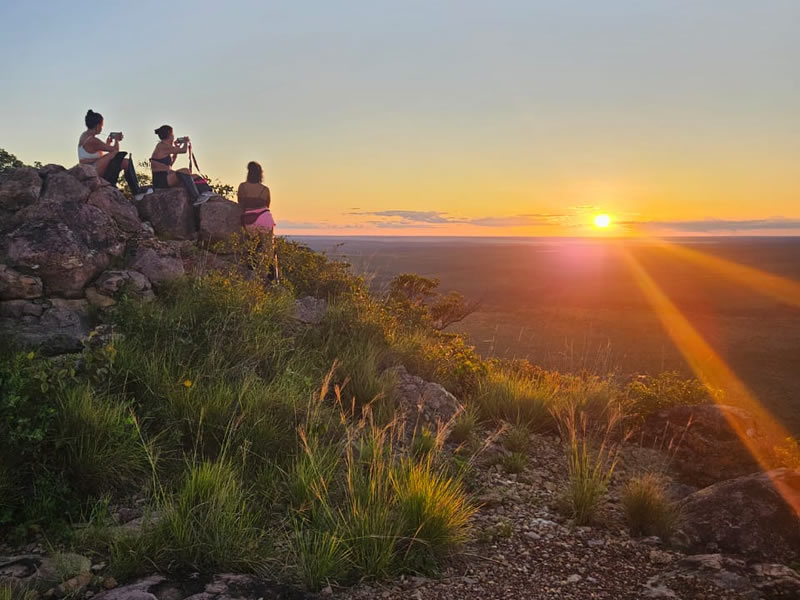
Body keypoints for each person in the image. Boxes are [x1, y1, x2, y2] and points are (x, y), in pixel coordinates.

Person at [78, 109, 149, 200]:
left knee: (126, 162)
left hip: (93, 168)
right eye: (101, 125)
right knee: (116, 154)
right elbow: (115, 151)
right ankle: (114, 184)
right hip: (93, 171)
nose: (102, 128)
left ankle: (136, 192)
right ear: (97, 126)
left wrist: (107, 144)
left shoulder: (85, 136)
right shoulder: (92, 140)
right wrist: (116, 140)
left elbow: (94, 155)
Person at [150, 125, 213, 205]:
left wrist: (175, 152)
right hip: (161, 180)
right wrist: (186, 142)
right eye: (173, 134)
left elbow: (169, 165)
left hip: (167, 177)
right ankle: (196, 197)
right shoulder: (162, 146)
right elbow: (184, 150)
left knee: (194, 176)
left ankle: (206, 192)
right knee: (185, 170)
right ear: (169, 134)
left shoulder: (165, 147)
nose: (173, 136)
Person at [237, 161, 276, 232]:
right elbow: (267, 206)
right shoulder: (265, 189)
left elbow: (240, 203)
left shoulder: (242, 186)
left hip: (249, 219)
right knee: (267, 243)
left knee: (250, 242)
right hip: (265, 218)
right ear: (260, 174)